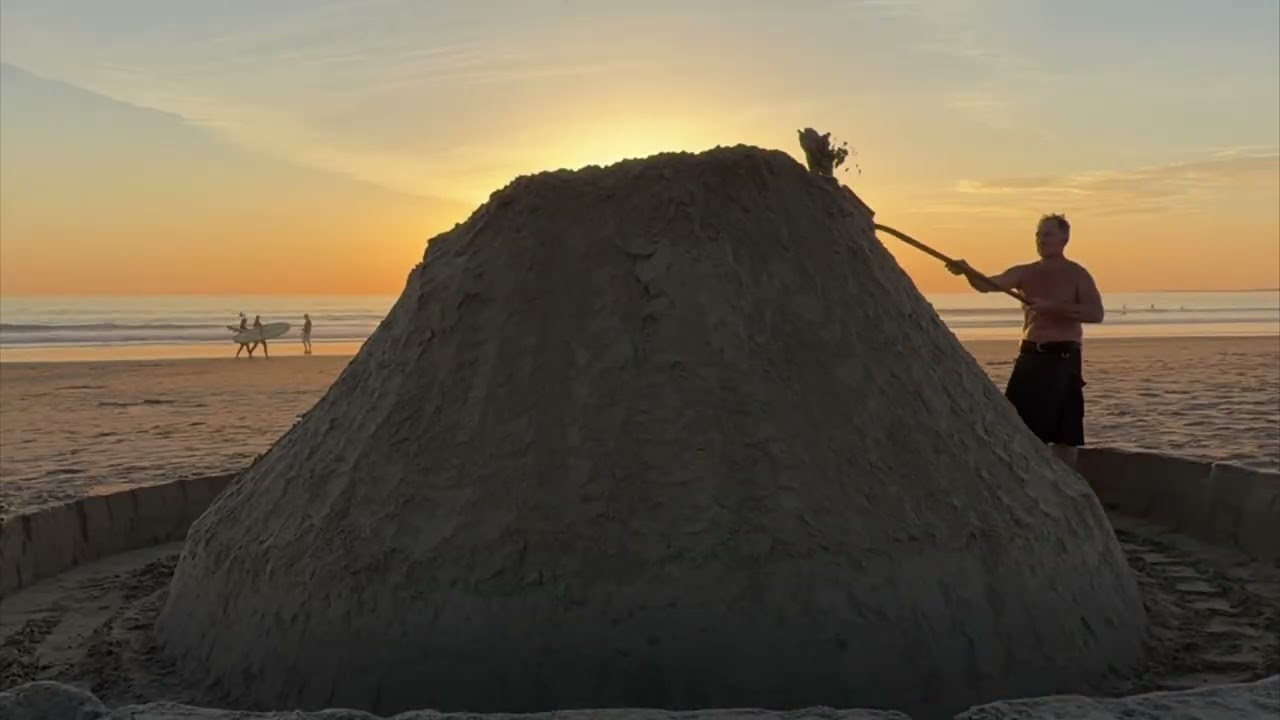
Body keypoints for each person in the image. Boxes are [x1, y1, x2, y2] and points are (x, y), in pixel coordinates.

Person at [946, 213, 1104, 469]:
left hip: (1063, 357)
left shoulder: (1077, 274)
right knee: (1017, 423)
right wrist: (967, 271)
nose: (1041, 239)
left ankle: (1069, 486)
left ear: (1064, 238)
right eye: (1038, 234)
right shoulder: (1026, 272)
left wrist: (1053, 308)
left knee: (1065, 433)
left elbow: (1096, 314)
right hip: (1030, 355)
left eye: (1047, 234)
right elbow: (987, 285)